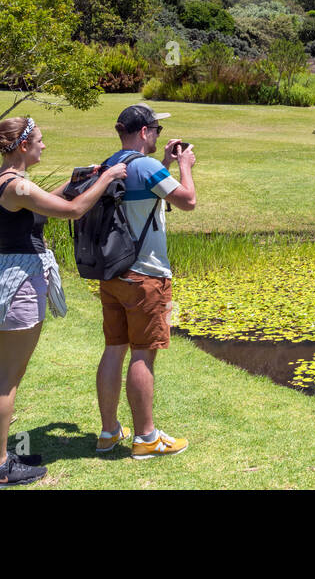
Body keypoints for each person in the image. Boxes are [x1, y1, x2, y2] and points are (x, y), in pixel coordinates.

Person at [0, 116, 129, 490]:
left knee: (0, 375)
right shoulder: (19, 188)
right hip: (20, 287)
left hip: (7, 280)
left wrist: (76, 181)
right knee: (5, 380)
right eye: (40, 141)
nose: (44, 146)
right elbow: (74, 211)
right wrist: (107, 179)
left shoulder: (3, 182)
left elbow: (49, 201)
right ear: (24, 146)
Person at [94, 103, 196, 459]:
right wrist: (184, 167)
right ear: (143, 132)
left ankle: (109, 433)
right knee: (143, 354)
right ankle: (147, 437)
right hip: (146, 275)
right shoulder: (149, 167)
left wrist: (164, 163)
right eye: (156, 130)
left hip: (113, 274)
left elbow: (141, 196)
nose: (158, 136)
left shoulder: (110, 165)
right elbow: (188, 201)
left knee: (113, 348)